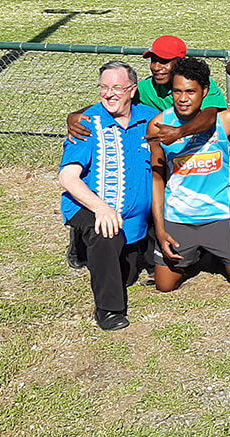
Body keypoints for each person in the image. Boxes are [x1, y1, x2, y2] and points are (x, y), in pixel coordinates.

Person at [65, 35, 230, 271]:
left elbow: (209, 116)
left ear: (180, 63)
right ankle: (92, 239)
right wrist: (75, 115)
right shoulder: (145, 87)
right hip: (161, 149)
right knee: (144, 179)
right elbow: (113, 99)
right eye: (154, 60)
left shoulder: (201, 83)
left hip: (198, 151)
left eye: (165, 61)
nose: (157, 67)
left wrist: (179, 132)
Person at [58, 61, 157, 330]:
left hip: (135, 217)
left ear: (132, 90)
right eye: (104, 87)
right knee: (104, 235)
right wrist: (101, 208)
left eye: (117, 87)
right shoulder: (87, 124)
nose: (109, 94)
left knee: (127, 275)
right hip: (93, 206)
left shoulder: (150, 119)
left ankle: (84, 247)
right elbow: (67, 177)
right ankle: (109, 310)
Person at [148, 58, 230, 292]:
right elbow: (157, 180)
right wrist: (160, 229)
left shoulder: (225, 120)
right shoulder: (158, 125)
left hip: (219, 216)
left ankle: (214, 252)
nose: (182, 98)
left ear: (205, 91)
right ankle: (197, 256)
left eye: (190, 91)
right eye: (177, 91)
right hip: (179, 217)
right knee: (164, 285)